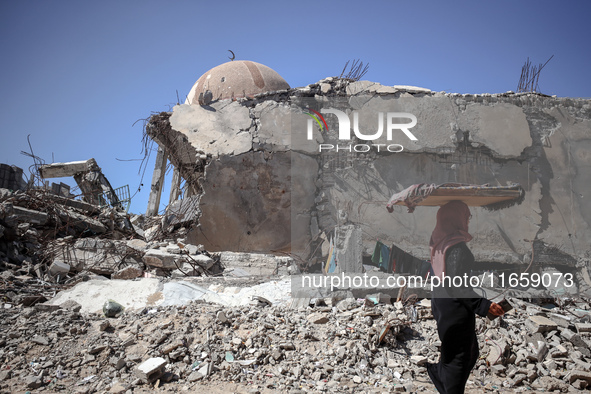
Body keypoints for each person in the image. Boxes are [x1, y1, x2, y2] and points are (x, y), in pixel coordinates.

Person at [426, 200, 505, 394]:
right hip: (455, 307)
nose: (468, 221)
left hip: (443, 303)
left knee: (466, 353)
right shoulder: (456, 248)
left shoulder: (440, 240)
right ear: (456, 219)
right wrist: (484, 306)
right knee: (459, 358)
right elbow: (457, 285)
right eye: (466, 217)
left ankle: (439, 373)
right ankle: (445, 382)